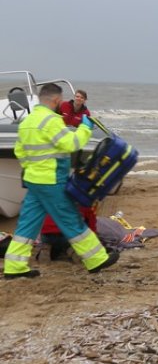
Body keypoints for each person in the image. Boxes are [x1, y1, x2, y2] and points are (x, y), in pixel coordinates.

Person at [3, 83, 119, 279]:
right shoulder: (51, 121)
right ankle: (96, 259)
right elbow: (72, 144)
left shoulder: (27, 122)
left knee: (27, 224)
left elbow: (20, 152)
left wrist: (32, 168)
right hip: (51, 181)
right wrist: (85, 128)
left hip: (33, 180)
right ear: (56, 100)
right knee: (70, 219)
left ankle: (14, 266)